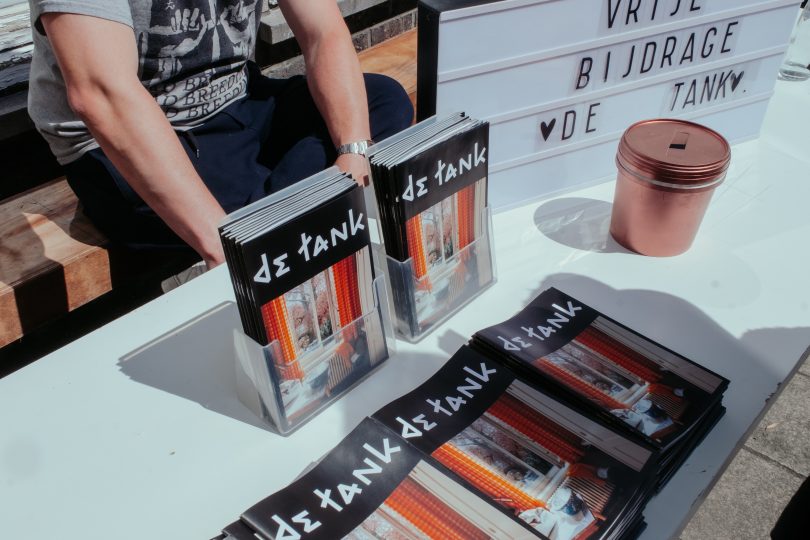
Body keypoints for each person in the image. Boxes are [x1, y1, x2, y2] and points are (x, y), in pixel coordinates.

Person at [27, 1, 414, 270]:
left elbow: (323, 32)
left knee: (380, 102)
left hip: (236, 101)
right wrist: (226, 248)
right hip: (131, 138)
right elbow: (102, 96)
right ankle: (279, 230)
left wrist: (354, 154)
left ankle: (278, 221)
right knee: (238, 205)